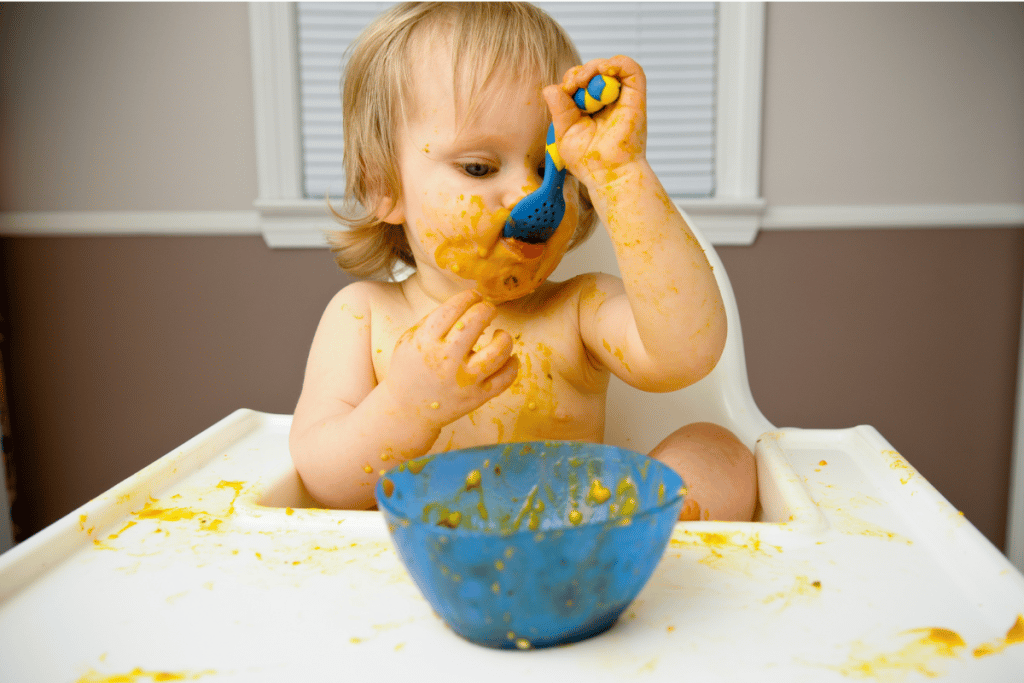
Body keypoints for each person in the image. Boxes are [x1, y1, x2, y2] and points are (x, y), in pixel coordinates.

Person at [289, 2, 757, 521]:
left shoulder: (578, 308)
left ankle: (633, 530)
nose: (531, 193)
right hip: (425, 554)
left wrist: (622, 176)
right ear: (385, 187)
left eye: (550, 167)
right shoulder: (363, 316)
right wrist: (405, 406)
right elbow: (322, 479)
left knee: (719, 451)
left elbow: (686, 355)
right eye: (479, 167)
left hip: (568, 542)